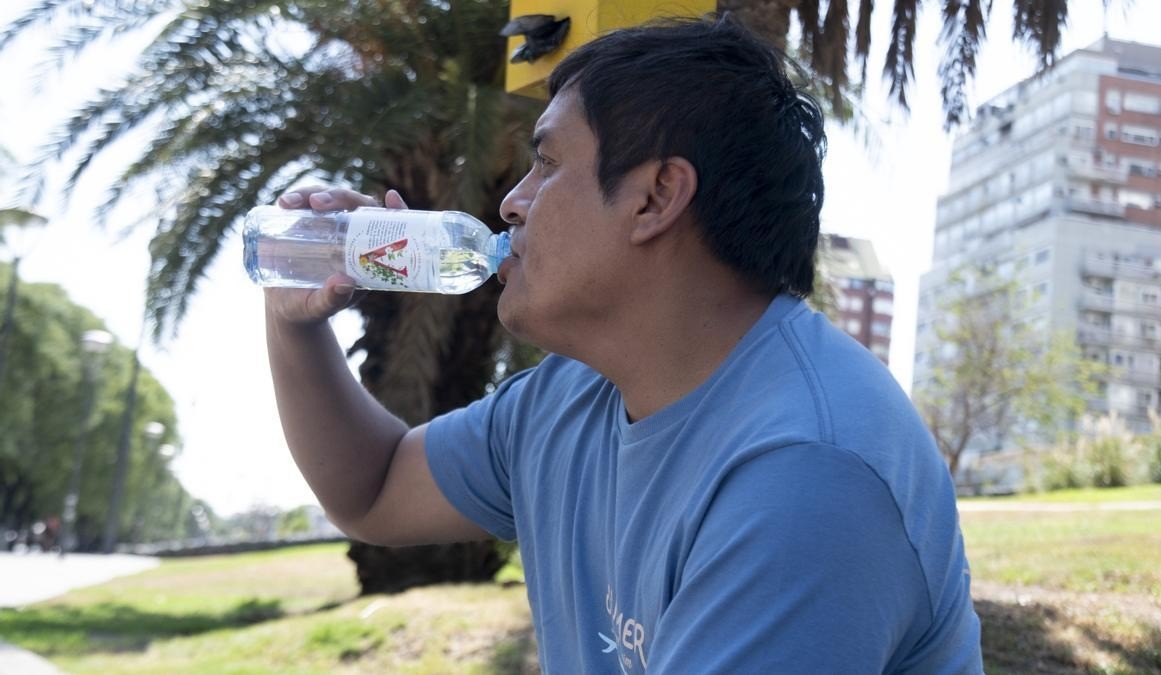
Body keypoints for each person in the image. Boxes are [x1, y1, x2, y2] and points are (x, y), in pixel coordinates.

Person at [264, 15, 983, 674]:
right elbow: (375, 489)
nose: (511, 202)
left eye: (547, 163)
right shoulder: (568, 398)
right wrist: (296, 319)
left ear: (657, 196)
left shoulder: (805, 472)